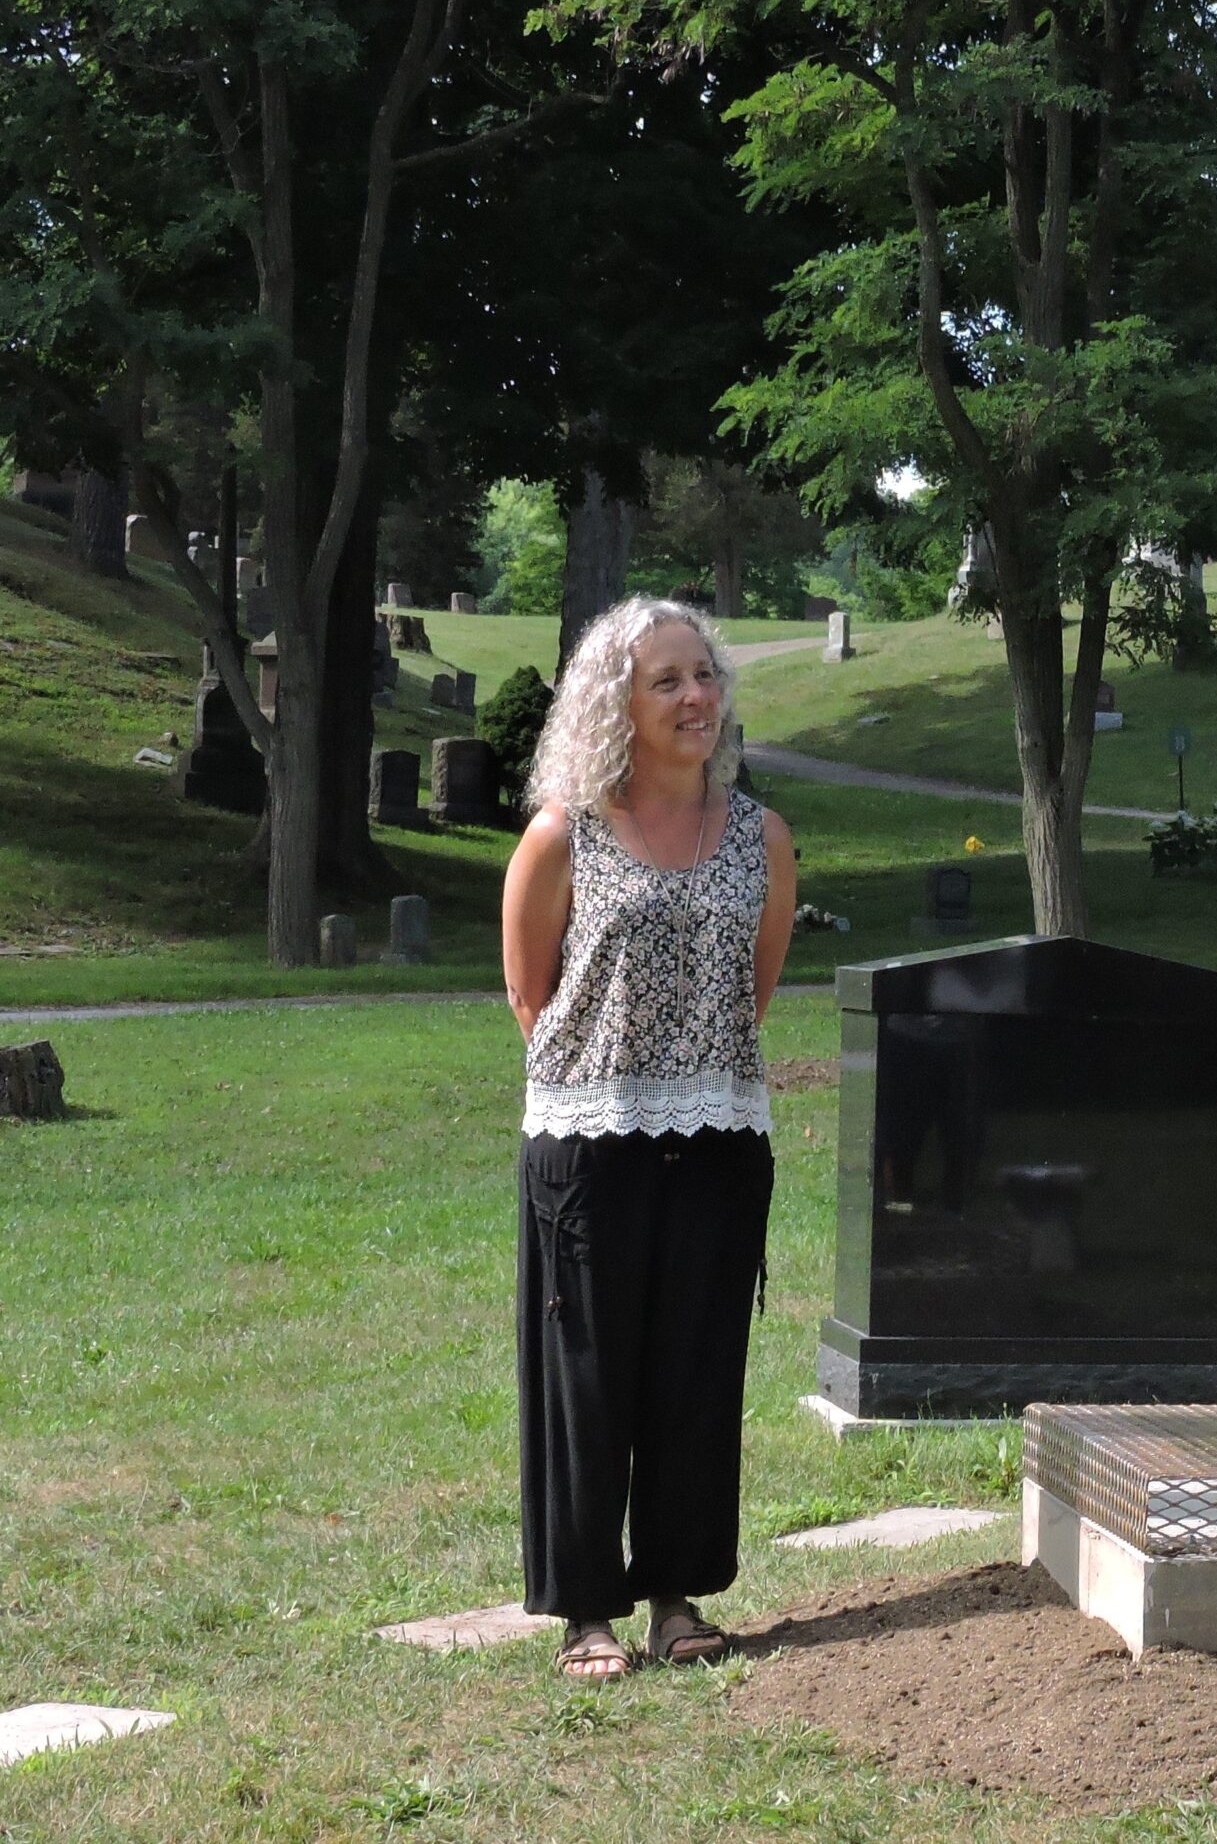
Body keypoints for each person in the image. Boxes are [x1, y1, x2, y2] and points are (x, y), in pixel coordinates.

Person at [501, 597, 797, 1678]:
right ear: (614, 702)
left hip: (718, 1137)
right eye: (666, 679)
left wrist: (686, 1075)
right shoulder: (563, 831)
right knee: (589, 1376)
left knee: (693, 1374)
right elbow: (530, 994)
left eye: (703, 675)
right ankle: (587, 1612)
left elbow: (752, 991)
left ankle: (676, 1598)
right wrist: (616, 1081)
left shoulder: (759, 835)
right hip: (590, 1144)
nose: (694, 697)